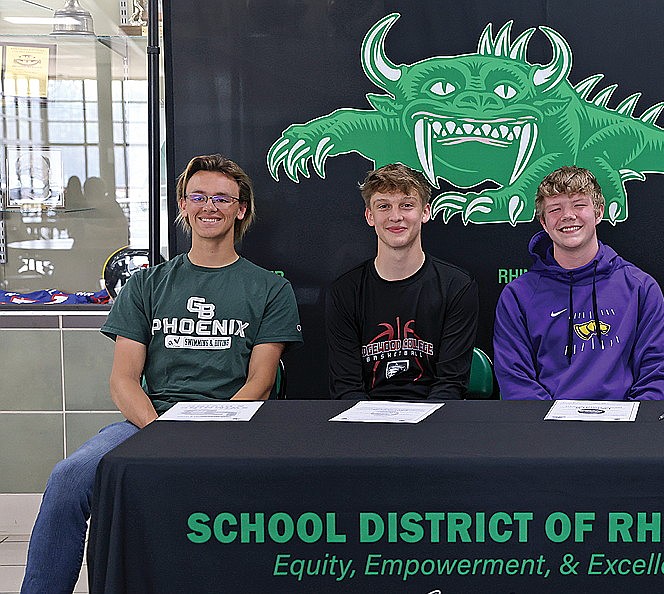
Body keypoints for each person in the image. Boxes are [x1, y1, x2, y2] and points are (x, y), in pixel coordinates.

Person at [21, 154, 303, 593]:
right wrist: (160, 433)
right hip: (148, 421)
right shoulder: (146, 284)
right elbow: (123, 380)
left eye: (222, 198)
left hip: (233, 425)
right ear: (183, 204)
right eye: (199, 196)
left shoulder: (270, 288)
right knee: (68, 478)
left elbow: (260, 383)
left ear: (240, 209)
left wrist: (207, 432)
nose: (210, 206)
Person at [493, 165, 664, 400]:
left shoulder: (640, 288)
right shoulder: (518, 296)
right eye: (555, 209)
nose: (568, 216)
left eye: (579, 205)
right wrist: (549, 431)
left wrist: (631, 430)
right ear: (543, 222)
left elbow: (657, 373)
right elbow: (516, 381)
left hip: (624, 429)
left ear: (599, 212)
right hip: (548, 430)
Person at [326, 163, 478, 399]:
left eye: (406, 205)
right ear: (369, 215)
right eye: (384, 206)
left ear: (425, 212)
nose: (395, 216)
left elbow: (450, 384)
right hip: (365, 425)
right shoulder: (345, 291)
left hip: (434, 423)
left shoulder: (456, 286)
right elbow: (347, 388)